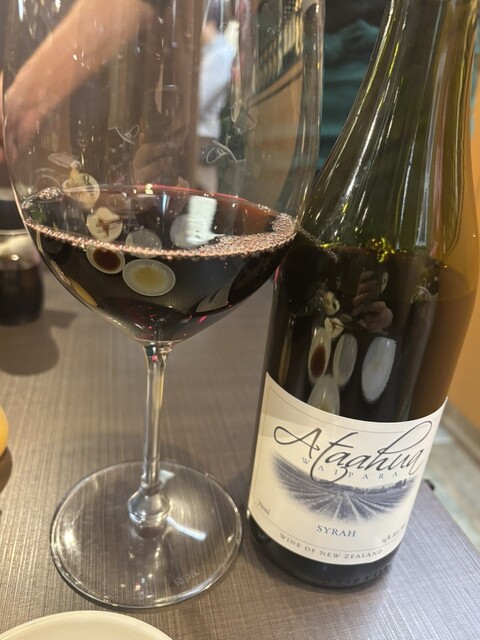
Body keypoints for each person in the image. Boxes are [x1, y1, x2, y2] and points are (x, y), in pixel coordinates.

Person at [195, 1, 236, 192]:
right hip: (199, 138)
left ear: (210, 23)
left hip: (205, 140)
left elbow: (198, 101)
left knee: (203, 196)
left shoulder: (221, 53)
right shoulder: (209, 52)